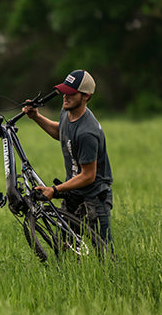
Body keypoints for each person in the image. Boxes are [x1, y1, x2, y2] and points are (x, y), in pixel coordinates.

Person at [22, 69, 114, 248]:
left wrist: (54, 190)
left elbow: (88, 175)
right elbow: (62, 132)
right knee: (67, 249)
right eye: (64, 91)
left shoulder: (88, 132)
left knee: (104, 253)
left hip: (94, 198)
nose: (65, 96)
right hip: (73, 193)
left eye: (71, 93)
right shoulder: (66, 112)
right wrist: (36, 117)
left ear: (86, 96)